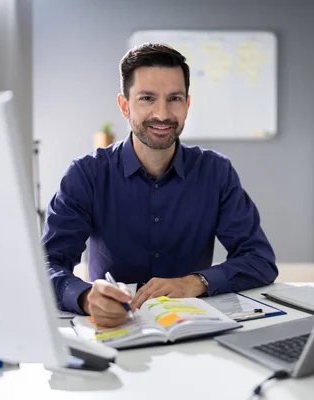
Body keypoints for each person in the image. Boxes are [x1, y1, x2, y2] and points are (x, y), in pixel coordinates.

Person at [43, 43, 278, 327]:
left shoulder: (216, 171)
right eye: (147, 98)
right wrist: (85, 297)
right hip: (115, 329)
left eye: (174, 98)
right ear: (124, 105)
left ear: (187, 105)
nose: (162, 113)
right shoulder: (86, 174)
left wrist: (196, 282)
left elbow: (259, 259)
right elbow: (46, 265)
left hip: (195, 326)